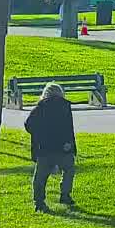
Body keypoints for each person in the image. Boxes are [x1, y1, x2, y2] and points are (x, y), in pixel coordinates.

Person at [24, 81, 77, 211]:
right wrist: (71, 145)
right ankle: (65, 194)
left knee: (40, 177)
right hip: (63, 146)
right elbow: (69, 128)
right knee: (68, 170)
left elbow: (28, 124)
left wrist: (39, 135)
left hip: (45, 148)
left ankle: (39, 202)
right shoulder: (65, 106)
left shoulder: (41, 107)